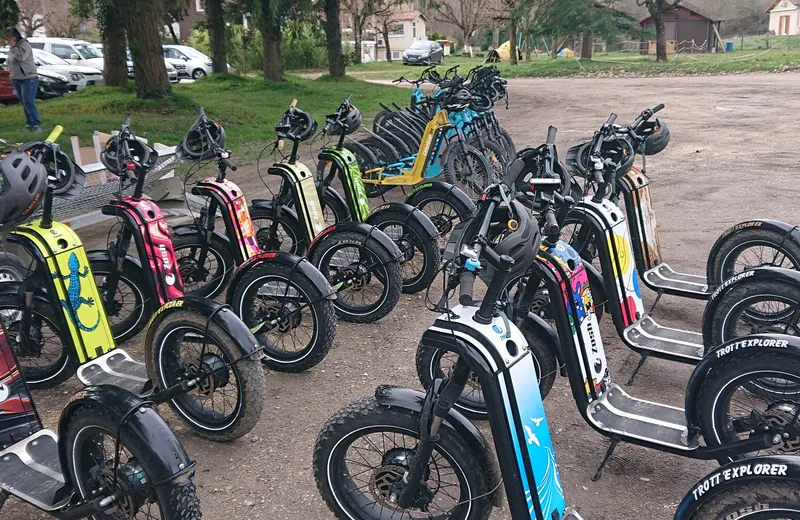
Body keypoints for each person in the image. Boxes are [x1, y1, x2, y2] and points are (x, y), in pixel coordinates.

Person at [3, 27, 41, 132]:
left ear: (14, 37)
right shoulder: (12, 48)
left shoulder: (24, 45)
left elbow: (20, 58)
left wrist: (14, 47)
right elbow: (11, 62)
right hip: (16, 78)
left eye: (9, 38)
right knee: (23, 102)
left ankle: (36, 124)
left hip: (28, 77)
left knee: (28, 101)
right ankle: (29, 124)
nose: (8, 40)